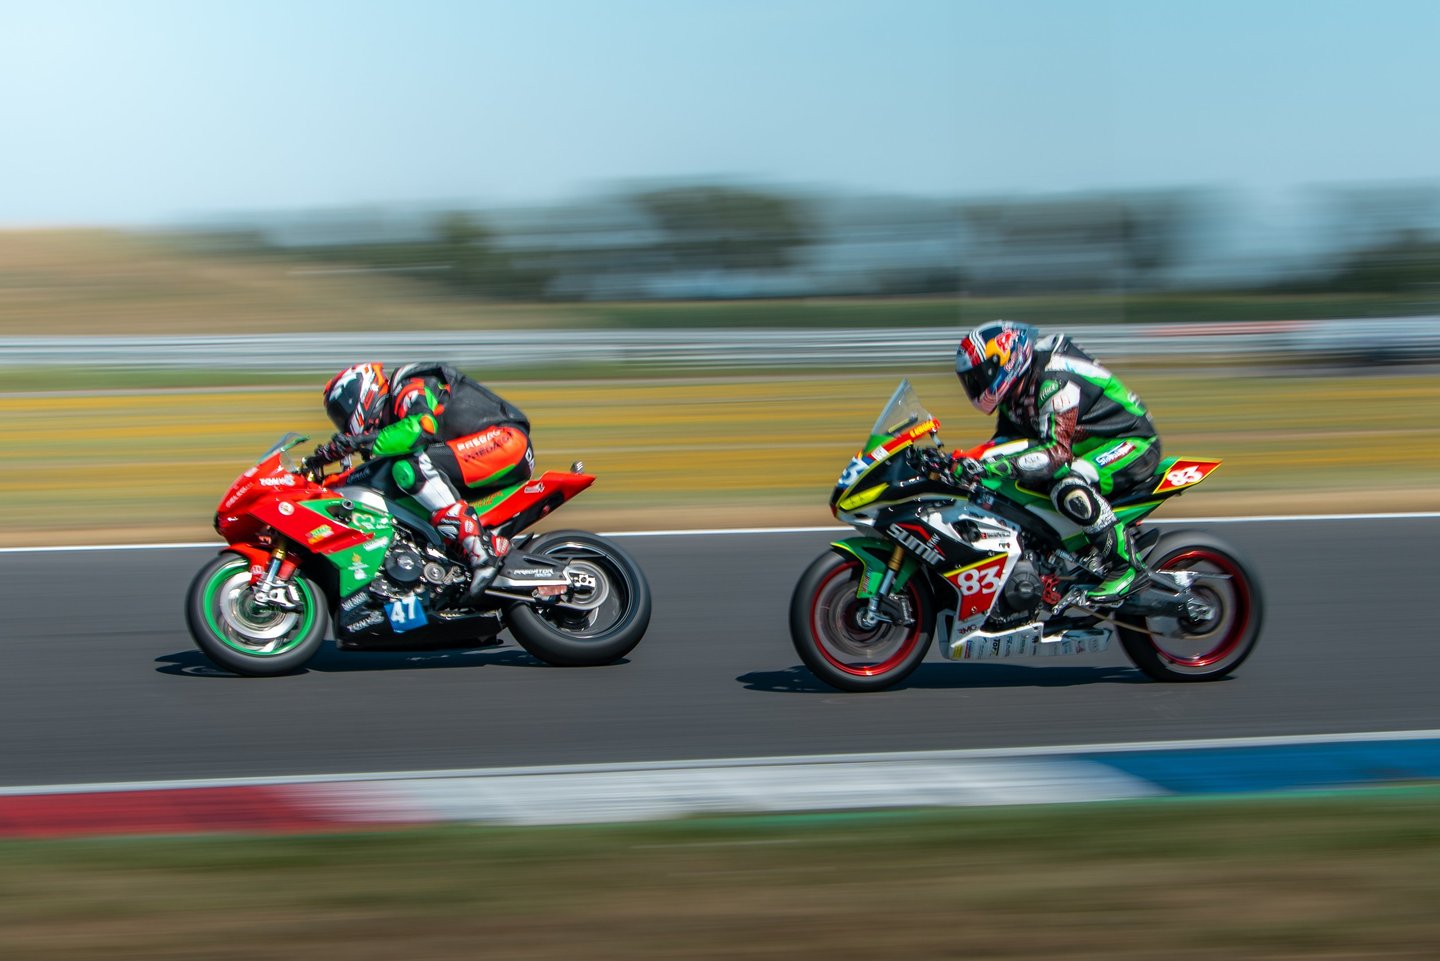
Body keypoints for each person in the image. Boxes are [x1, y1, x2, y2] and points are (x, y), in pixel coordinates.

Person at [952, 321, 1161, 603]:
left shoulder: (1055, 378)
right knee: (1003, 483)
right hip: (1086, 449)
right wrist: (964, 460)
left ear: (1005, 360)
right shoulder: (1013, 391)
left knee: (1068, 484)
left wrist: (992, 465)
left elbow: (1057, 453)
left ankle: (1126, 567)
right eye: (970, 380)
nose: (976, 386)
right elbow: (1006, 443)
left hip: (1130, 442)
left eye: (980, 375)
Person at [305, 362, 533, 598]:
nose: (342, 421)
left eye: (342, 411)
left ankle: (479, 551)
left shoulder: (408, 385)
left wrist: (358, 441)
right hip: (474, 456)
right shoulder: (393, 422)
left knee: (410, 468)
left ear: (361, 392)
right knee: (396, 481)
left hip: (504, 440)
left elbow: (420, 427)